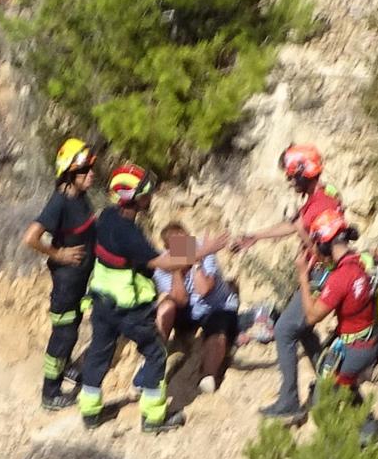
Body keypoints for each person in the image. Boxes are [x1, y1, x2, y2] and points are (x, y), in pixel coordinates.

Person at [78, 165, 196, 433]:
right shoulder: (128, 232)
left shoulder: (108, 216)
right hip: (128, 307)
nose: (151, 195)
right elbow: (161, 262)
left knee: (99, 352)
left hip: (102, 301)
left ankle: (90, 411)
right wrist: (199, 249)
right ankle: (154, 418)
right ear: (135, 197)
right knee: (155, 353)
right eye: (147, 191)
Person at [235, 143, 344, 418]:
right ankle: (328, 383)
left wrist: (302, 237)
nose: (289, 181)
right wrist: (256, 236)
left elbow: (325, 252)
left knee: (284, 329)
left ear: (303, 173)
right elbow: (293, 225)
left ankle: (289, 402)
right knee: (303, 330)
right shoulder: (313, 201)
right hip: (313, 274)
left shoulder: (323, 205)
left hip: (321, 276)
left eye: (291, 176)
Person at [20, 138, 97, 412]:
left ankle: (65, 369)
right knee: (63, 335)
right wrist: (59, 254)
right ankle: (50, 392)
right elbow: (31, 237)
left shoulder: (80, 197)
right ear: (69, 174)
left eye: (90, 168)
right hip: (66, 283)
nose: (91, 174)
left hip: (80, 280)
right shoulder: (60, 202)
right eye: (84, 171)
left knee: (72, 330)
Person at [291, 208, 378, 421]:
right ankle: (366, 433)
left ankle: (354, 440)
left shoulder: (341, 278)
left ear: (325, 243)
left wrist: (303, 277)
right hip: (368, 338)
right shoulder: (361, 260)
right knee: (345, 385)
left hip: (355, 348)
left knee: (323, 404)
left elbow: (312, 316)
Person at [153, 221, 239, 396]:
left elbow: (204, 289)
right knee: (165, 307)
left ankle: (208, 375)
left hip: (215, 307)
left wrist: (197, 262)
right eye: (177, 247)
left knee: (218, 331)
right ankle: (154, 355)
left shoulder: (204, 250)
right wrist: (177, 270)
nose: (185, 249)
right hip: (187, 308)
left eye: (186, 243)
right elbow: (180, 300)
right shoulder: (163, 265)